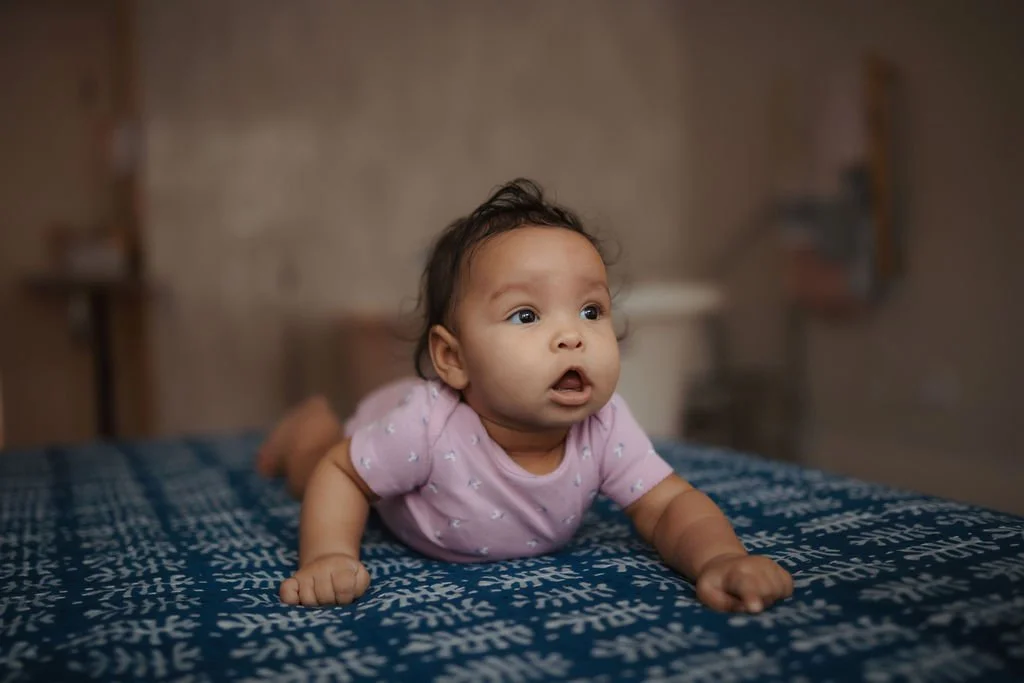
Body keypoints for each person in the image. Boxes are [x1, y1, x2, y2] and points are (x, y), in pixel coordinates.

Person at [256, 178, 793, 613]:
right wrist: (328, 555)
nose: (572, 335)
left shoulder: (604, 423)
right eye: (527, 315)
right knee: (315, 469)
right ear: (455, 359)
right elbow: (343, 473)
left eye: (590, 310)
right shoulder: (424, 427)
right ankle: (308, 423)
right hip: (383, 418)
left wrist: (720, 558)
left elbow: (670, 504)